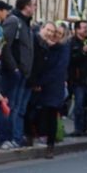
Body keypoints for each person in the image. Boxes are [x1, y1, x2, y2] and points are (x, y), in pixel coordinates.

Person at [0, 0, 35, 149]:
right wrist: (14, 67)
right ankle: (4, 138)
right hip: (12, 73)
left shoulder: (25, 23)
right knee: (8, 106)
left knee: (16, 107)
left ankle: (14, 137)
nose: (35, 7)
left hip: (23, 73)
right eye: (34, 4)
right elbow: (5, 45)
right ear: (26, 6)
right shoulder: (14, 21)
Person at [29, 22, 67, 158]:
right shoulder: (43, 46)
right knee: (36, 111)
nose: (54, 36)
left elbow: (58, 69)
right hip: (40, 84)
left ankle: (50, 145)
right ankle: (33, 137)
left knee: (51, 114)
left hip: (53, 86)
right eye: (53, 33)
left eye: (58, 34)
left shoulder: (62, 49)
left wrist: (41, 82)